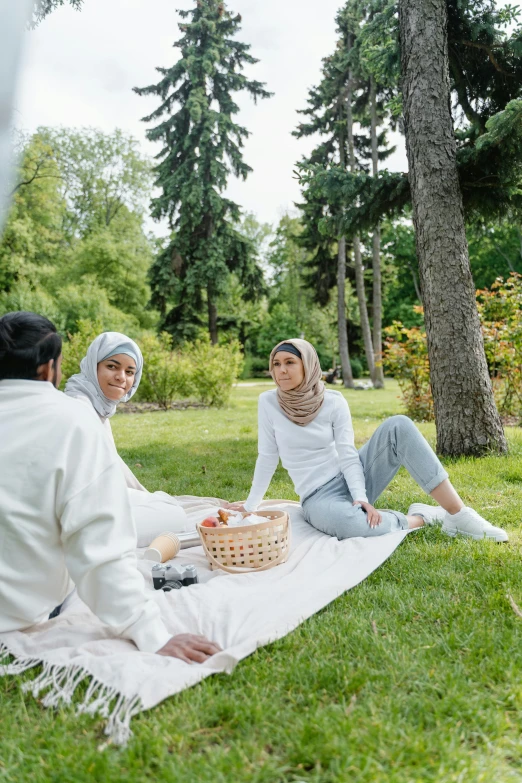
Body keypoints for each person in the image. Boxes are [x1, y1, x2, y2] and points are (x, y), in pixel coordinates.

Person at [0, 311, 220, 663]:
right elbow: (98, 549)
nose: (122, 377)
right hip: (23, 611)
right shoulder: (72, 418)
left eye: (129, 370)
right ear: (48, 369)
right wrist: (149, 631)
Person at [229, 338, 508, 542]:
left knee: (398, 425)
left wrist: (360, 498)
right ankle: (424, 517)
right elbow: (267, 457)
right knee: (352, 525)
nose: (281, 370)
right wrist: (251, 506)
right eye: (276, 364)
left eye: (290, 362)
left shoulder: (333, 402)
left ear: (308, 365)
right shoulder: (268, 402)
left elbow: (348, 455)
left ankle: (459, 515)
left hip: (351, 478)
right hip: (317, 498)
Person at [64, 332, 225, 546]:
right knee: (173, 517)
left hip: (96, 499)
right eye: (112, 366)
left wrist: (146, 497)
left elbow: (111, 466)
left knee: (165, 505)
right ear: (93, 366)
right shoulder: (79, 407)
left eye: (130, 371)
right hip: (79, 511)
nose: (122, 377)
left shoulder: (95, 404)